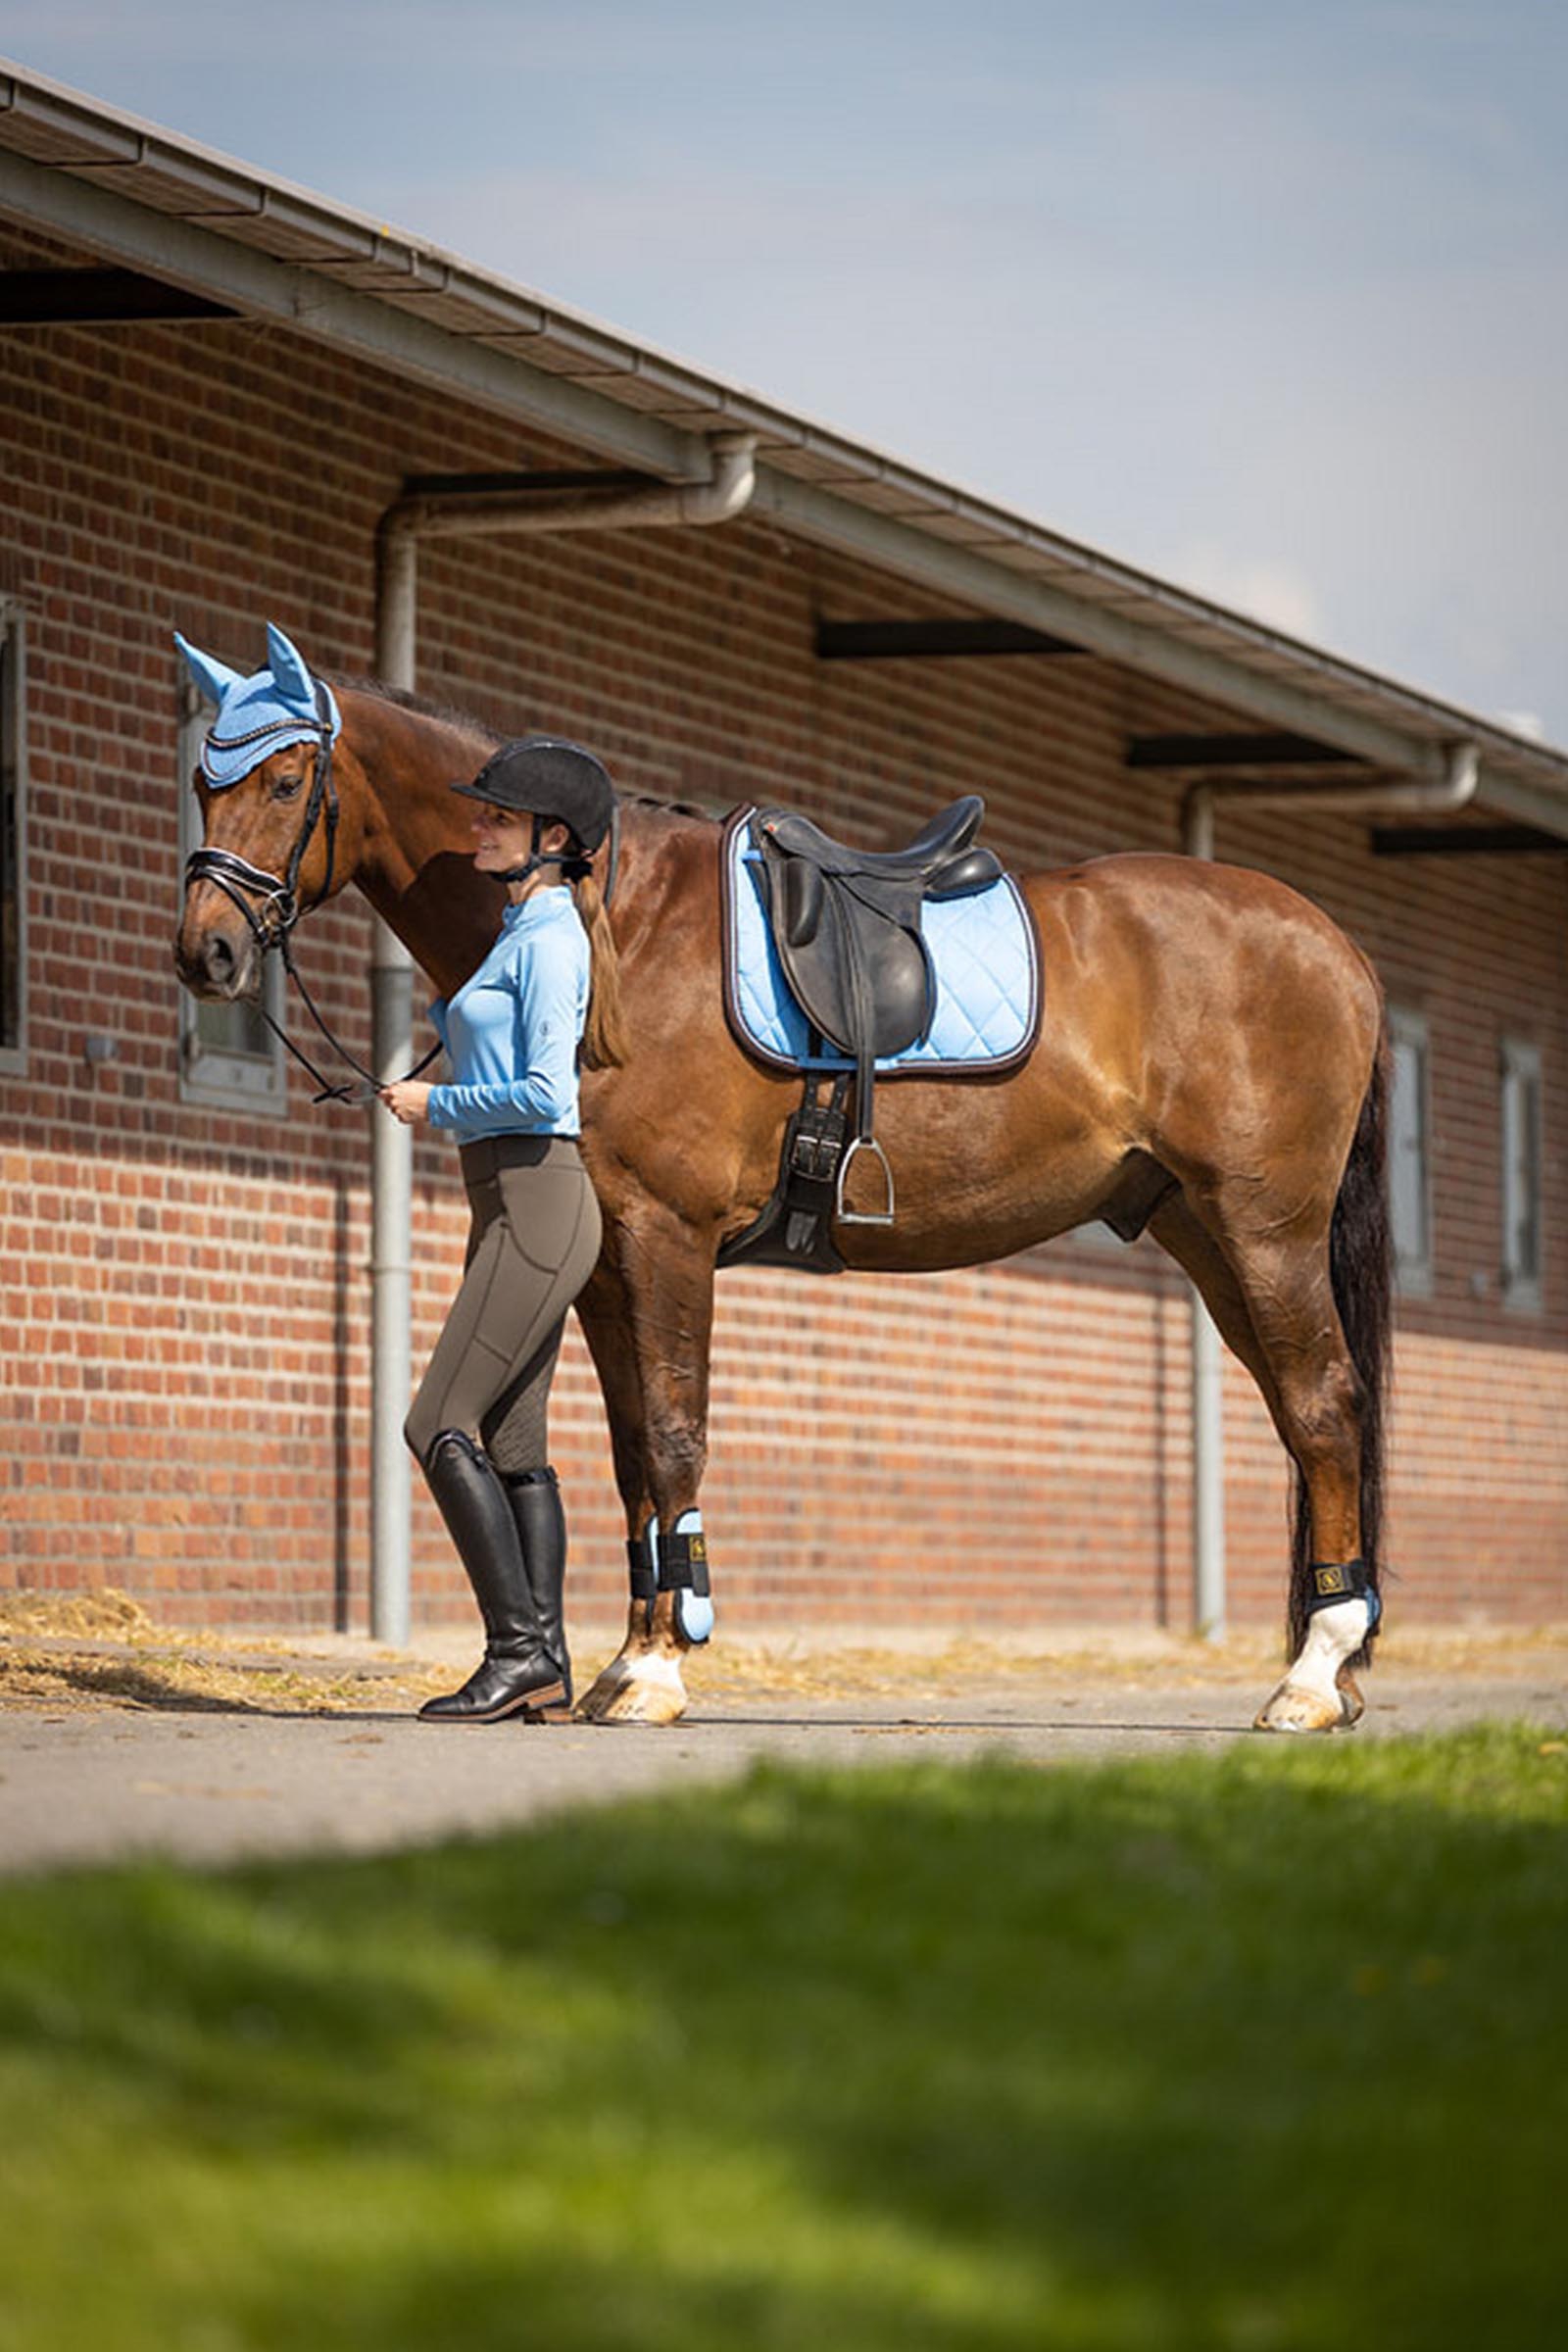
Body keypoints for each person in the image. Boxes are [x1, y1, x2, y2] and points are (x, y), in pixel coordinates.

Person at [381, 735, 627, 1724]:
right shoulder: (521, 932)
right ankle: (550, 1669)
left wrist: (430, 1105)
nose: (476, 825)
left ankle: (515, 1651)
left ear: (550, 837)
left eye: (496, 816)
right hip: (513, 1202)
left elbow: (539, 1091)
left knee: (435, 1422)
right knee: (513, 1444)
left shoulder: (553, 940)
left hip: (537, 1199)